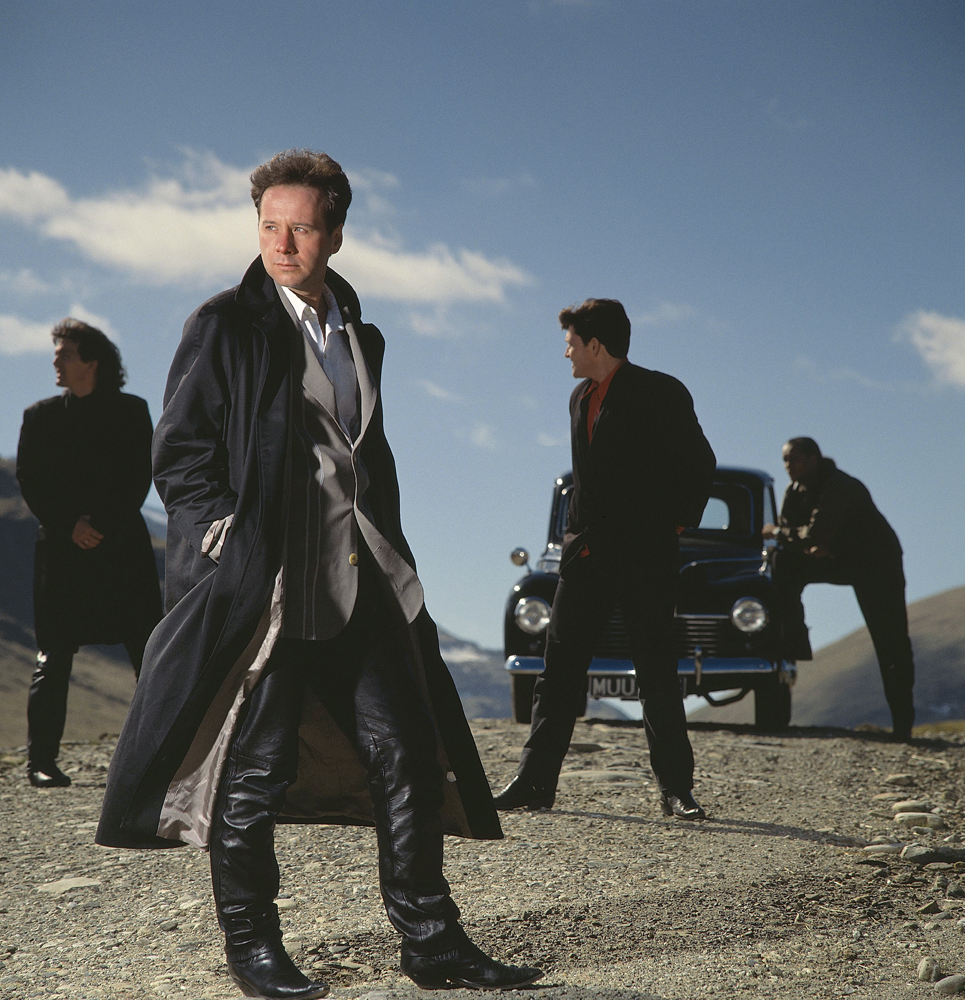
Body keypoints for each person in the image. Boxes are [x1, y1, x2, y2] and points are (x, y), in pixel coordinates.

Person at [96, 149, 541, 999]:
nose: (282, 243)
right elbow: (181, 453)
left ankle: (432, 944)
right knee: (253, 770)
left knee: (407, 753)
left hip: (358, 574)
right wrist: (227, 540)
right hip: (268, 585)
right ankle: (254, 948)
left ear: (334, 234)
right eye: (269, 226)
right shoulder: (223, 324)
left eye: (300, 228)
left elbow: (362, 454)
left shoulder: (360, 334)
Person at [493, 299, 716, 820]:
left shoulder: (661, 391)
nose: (566, 352)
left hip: (645, 556)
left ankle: (676, 790)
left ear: (595, 344)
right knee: (557, 672)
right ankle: (534, 781)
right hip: (585, 556)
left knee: (656, 672)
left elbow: (699, 462)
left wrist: (672, 525)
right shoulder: (579, 398)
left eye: (571, 343)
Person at [15, 320, 161, 789]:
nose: (55, 361)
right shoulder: (39, 416)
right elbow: (30, 480)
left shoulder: (131, 411)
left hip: (121, 548)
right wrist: (70, 525)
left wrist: (99, 524)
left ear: (91, 362)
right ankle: (41, 763)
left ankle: (162, 758)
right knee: (53, 655)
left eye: (65, 354)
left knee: (147, 651)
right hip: (62, 552)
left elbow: (140, 474)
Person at [763, 437, 915, 739]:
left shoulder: (840, 486)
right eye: (785, 460)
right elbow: (799, 541)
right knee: (783, 562)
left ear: (813, 459)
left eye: (794, 459)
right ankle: (794, 640)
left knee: (891, 641)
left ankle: (903, 725)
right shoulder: (794, 491)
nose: (788, 466)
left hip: (875, 564)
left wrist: (783, 532)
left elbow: (810, 534)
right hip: (835, 558)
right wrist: (806, 541)